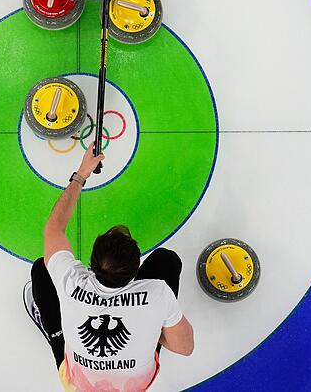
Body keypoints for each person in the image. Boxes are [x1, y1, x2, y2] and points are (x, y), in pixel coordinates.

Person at [23, 143, 194, 391]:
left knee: (42, 270)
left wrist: (81, 174)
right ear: (135, 269)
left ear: (91, 265)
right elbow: (184, 348)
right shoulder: (157, 294)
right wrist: (146, 323)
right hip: (137, 386)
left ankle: (55, 335)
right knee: (167, 260)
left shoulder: (71, 282)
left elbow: (53, 229)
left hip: (79, 385)